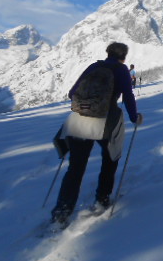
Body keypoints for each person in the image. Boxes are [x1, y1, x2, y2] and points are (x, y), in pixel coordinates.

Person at [51, 42, 143, 225]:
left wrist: (88, 104)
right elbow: (128, 95)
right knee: (110, 159)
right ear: (123, 56)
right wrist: (134, 117)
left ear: (107, 53)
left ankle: (62, 211)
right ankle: (102, 199)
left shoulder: (94, 66)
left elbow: (72, 93)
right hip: (104, 122)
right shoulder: (121, 69)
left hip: (78, 122)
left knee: (75, 168)